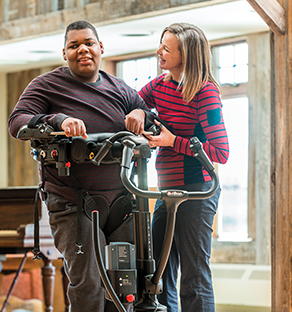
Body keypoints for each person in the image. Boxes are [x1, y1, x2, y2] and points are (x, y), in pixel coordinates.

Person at [8, 20, 149, 312]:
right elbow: (17, 121)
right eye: (74, 45)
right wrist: (58, 121)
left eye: (88, 43)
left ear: (100, 48)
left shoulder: (119, 88)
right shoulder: (47, 85)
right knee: (88, 283)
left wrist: (139, 111)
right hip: (74, 201)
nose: (82, 49)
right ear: (64, 53)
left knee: (126, 284)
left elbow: (148, 113)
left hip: (122, 201)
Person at [139, 22, 229, 312]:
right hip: (167, 190)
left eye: (166, 48)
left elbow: (221, 152)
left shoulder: (206, 94)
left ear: (186, 55)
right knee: (159, 272)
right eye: (161, 44)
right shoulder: (160, 85)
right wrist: (139, 110)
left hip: (197, 191)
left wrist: (171, 141)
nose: (159, 52)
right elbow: (133, 101)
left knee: (194, 274)